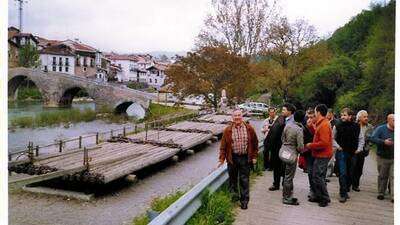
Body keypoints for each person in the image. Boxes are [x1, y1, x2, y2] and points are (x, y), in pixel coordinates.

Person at [218, 109, 259, 209]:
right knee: (233, 179)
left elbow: (255, 143)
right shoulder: (227, 130)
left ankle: (244, 201)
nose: (237, 117)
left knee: (244, 180)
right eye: (235, 116)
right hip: (232, 158)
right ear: (232, 117)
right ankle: (234, 197)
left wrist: (254, 156)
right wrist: (221, 159)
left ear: (242, 116)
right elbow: (223, 146)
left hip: (245, 158)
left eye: (239, 115)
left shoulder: (249, 129)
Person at [332, 108, 364, 203]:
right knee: (342, 173)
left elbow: (361, 138)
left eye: (345, 115)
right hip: (341, 152)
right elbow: (332, 138)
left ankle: (345, 191)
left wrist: (359, 149)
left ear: (350, 116)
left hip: (353, 153)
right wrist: (338, 147)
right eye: (341, 115)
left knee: (350, 173)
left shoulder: (357, 126)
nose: (342, 117)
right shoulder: (337, 126)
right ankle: (342, 193)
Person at [305, 104, 333, 207]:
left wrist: (310, 145)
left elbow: (324, 143)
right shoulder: (321, 123)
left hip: (323, 154)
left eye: (315, 112)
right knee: (316, 175)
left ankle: (325, 198)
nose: (314, 114)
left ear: (319, 113)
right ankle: (318, 196)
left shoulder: (324, 124)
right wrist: (311, 126)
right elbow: (318, 134)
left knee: (318, 176)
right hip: (320, 154)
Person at [268, 103, 296, 191]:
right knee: (277, 165)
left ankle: (286, 184)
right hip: (277, 146)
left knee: (286, 166)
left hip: (288, 148)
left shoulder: (294, 121)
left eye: (284, 110)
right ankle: (276, 184)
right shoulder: (280, 118)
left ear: (290, 111)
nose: (282, 111)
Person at [281, 110, 304, 205]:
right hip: (292, 154)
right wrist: (298, 151)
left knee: (286, 174)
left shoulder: (288, 125)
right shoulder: (299, 129)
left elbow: (282, 138)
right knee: (289, 176)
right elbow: (300, 146)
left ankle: (287, 194)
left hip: (284, 151)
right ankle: (287, 198)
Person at [370, 113, 394, 202]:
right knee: (383, 176)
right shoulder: (381, 129)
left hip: (394, 158)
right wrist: (384, 142)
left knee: (393, 176)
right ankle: (381, 192)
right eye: (394, 120)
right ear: (388, 120)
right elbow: (372, 138)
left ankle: (393, 195)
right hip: (382, 157)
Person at [352, 110, 374, 192]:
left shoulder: (370, 127)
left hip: (362, 150)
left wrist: (368, 146)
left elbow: (372, 138)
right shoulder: (354, 125)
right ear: (359, 117)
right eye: (364, 117)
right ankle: (350, 182)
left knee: (359, 168)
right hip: (353, 149)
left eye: (367, 116)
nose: (366, 118)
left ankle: (355, 185)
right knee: (352, 166)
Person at [303, 108, 317, 200]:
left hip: (318, 151)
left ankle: (316, 190)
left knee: (316, 173)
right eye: (308, 117)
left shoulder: (319, 125)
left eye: (312, 117)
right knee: (310, 171)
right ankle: (312, 189)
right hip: (309, 152)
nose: (310, 119)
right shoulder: (306, 126)